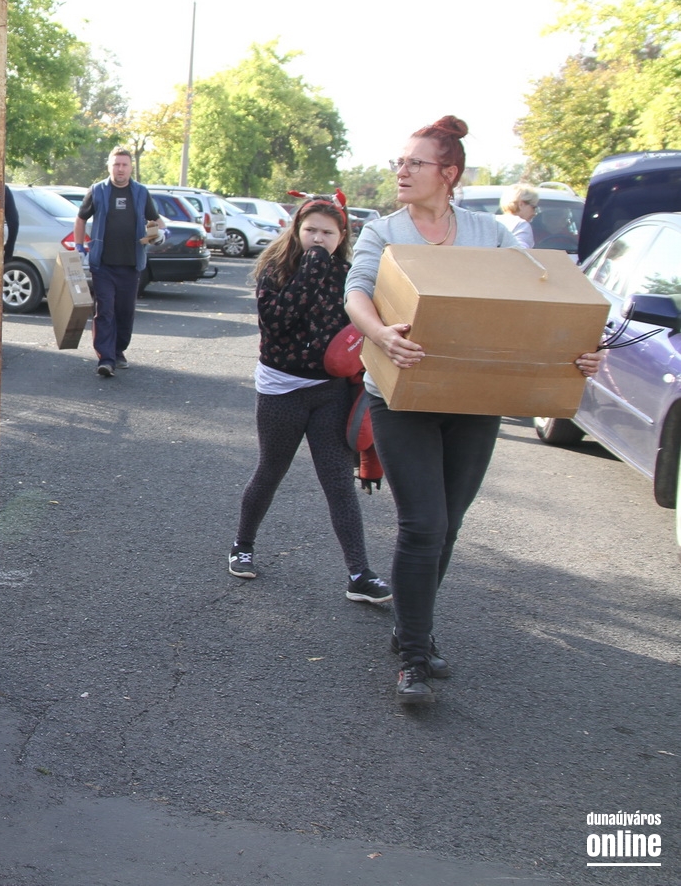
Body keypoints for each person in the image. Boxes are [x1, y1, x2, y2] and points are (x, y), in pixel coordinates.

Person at [343, 117, 602, 706]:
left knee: (450, 523)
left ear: (448, 173)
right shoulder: (383, 232)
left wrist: (578, 350)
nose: (402, 171)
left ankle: (412, 625)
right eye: (399, 162)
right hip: (401, 397)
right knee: (423, 524)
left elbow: (537, 302)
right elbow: (356, 292)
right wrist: (380, 334)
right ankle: (413, 655)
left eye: (415, 162)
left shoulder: (491, 234)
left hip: (474, 398)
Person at [228, 197, 392, 605]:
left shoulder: (347, 277)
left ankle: (359, 573)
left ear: (342, 236)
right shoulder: (276, 270)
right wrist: (312, 268)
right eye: (311, 230)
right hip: (281, 390)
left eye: (327, 233)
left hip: (329, 392)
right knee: (271, 471)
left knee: (337, 482)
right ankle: (242, 545)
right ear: (296, 230)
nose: (318, 239)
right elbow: (277, 321)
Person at [74, 147, 163, 377]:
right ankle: (106, 359)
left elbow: (155, 220)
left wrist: (161, 233)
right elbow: (81, 218)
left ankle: (118, 350)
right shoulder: (97, 191)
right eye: (116, 164)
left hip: (131, 265)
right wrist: (79, 247)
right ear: (109, 166)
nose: (120, 169)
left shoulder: (140, 192)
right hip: (103, 265)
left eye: (124, 165)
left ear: (131, 167)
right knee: (105, 311)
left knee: (125, 312)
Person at [496, 183, 539, 248]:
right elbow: (520, 251)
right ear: (521, 204)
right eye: (533, 207)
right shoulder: (520, 225)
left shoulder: (492, 222)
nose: (534, 213)